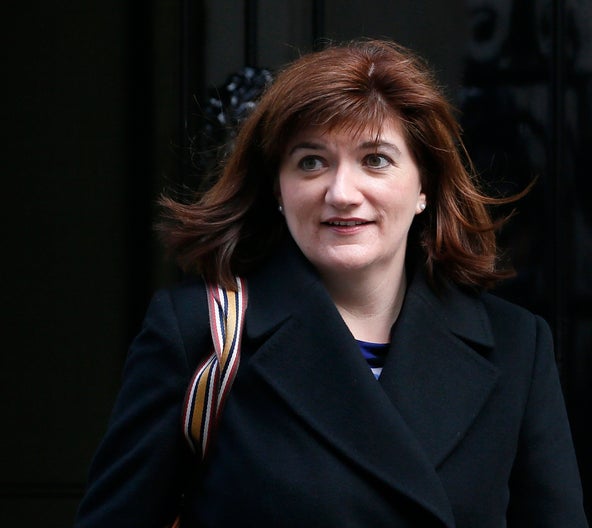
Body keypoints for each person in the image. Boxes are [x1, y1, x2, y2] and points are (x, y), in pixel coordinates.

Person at [75, 39, 588, 527]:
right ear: (278, 188)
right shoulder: (197, 336)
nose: (342, 192)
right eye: (311, 162)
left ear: (424, 187)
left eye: (376, 160)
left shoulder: (517, 347)